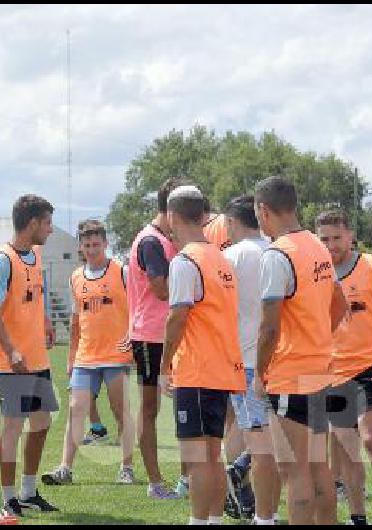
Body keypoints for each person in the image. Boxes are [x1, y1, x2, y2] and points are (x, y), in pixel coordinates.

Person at [254, 176, 346, 525]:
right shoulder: (316, 244)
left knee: (294, 473)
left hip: (290, 376)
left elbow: (269, 328)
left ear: (264, 211)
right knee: (319, 467)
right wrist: (318, 337)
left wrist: (260, 374)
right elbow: (339, 306)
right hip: (322, 369)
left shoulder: (277, 255)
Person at [159, 185, 246, 526]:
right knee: (212, 454)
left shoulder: (185, 261)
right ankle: (213, 519)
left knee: (197, 458)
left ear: (172, 216)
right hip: (222, 368)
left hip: (197, 370)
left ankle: (199, 520)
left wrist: (164, 365)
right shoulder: (220, 258)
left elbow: (177, 316)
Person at [317, 210, 372, 525]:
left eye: (337, 238)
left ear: (350, 235)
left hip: (371, 368)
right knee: (346, 447)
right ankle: (358, 517)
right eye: (324, 239)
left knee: (370, 439)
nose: (331, 245)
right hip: (332, 372)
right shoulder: (317, 273)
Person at [0, 194, 59, 518]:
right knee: (13, 426)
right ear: (32, 224)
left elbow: (33, 295)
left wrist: (45, 321)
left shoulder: (36, 255)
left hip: (37, 359)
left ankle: (28, 492)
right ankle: (8, 498)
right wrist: (11, 349)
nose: (51, 230)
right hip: (11, 362)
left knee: (41, 423)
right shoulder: (3, 260)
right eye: (47, 223)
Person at [41, 220, 135, 486]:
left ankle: (126, 467)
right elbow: (74, 321)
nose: (92, 249)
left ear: (105, 244)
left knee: (120, 412)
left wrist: (133, 336)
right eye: (87, 245)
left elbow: (138, 307)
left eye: (96, 244)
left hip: (116, 355)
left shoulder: (122, 272)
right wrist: (71, 357)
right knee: (75, 409)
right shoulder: (75, 277)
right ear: (80, 247)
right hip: (85, 357)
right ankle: (65, 469)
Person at [221, 196, 281, 525]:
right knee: (277, 433)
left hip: (244, 358)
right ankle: (255, 498)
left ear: (231, 222)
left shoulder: (230, 256)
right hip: (283, 358)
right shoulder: (277, 249)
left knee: (254, 436)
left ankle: (247, 491)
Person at [127, 177, 186, 500]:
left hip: (171, 332)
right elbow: (161, 288)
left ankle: (186, 478)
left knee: (185, 404)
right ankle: (156, 483)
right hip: (152, 336)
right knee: (150, 409)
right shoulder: (151, 241)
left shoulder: (166, 239)